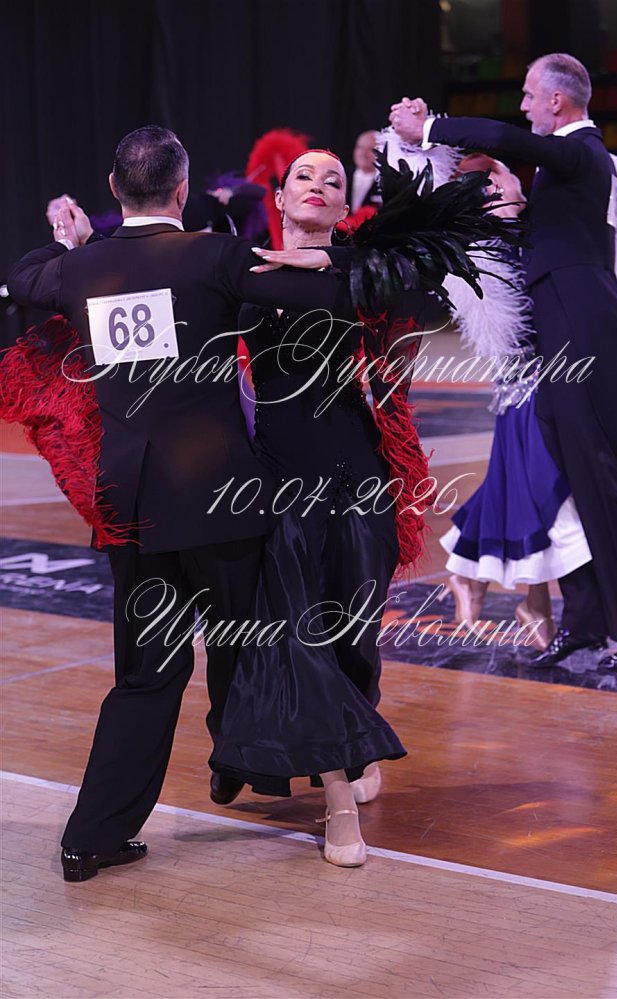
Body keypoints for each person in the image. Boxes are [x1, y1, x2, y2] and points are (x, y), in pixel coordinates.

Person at [6, 125, 361, 883]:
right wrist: (330, 257)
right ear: (182, 188)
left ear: (114, 189)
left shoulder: (81, 269)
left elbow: (27, 273)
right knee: (258, 641)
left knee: (145, 675)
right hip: (221, 497)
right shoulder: (212, 254)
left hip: (132, 502)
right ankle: (245, 765)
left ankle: (91, 838)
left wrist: (72, 243)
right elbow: (321, 291)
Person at [390, 52, 617, 670]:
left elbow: (503, 137)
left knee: (606, 484)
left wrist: (428, 128)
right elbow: (554, 241)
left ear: (556, 101)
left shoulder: (582, 151)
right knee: (577, 490)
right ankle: (591, 622)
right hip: (564, 336)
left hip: (583, 339)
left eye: (527, 94)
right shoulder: (571, 171)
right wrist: (518, 206)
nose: (522, 105)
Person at [209, 149, 426, 868]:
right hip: (278, 482)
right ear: (279, 196)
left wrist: (322, 260)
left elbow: (406, 279)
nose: (319, 185)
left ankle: (356, 744)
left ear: (342, 207)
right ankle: (337, 805)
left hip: (356, 477)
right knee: (300, 642)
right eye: (304, 175)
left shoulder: (359, 273)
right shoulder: (245, 274)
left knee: (354, 639)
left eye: (333, 180)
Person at [438, 153, 591, 651]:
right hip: (527, 383)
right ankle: (525, 597)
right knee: (542, 488)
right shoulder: (483, 249)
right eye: (499, 184)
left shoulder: (531, 229)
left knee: (519, 485)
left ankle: (482, 580)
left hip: (554, 380)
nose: (513, 188)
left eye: (508, 178)